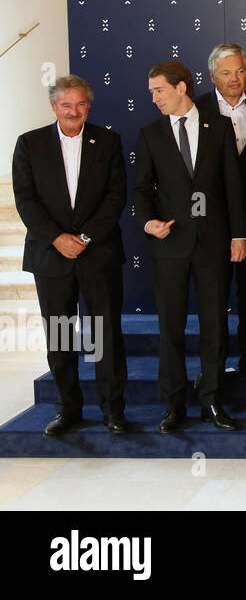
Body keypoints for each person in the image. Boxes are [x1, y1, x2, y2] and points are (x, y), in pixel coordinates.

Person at [133, 62, 246, 433]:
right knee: (171, 328)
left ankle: (212, 401)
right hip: (169, 246)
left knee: (215, 325)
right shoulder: (150, 133)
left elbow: (233, 185)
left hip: (213, 244)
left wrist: (239, 235)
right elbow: (142, 190)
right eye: (152, 92)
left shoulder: (219, 127)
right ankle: (174, 405)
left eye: (159, 91)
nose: (154, 99)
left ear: (181, 87)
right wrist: (148, 222)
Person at [12, 76, 128, 438]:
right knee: (61, 336)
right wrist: (58, 238)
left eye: (81, 104)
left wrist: (85, 236)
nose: (74, 111)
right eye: (67, 105)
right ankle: (69, 409)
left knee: (104, 335)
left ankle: (113, 411)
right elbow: (25, 199)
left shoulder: (107, 141)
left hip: (99, 254)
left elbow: (115, 197)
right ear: (54, 107)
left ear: (88, 106)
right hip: (51, 257)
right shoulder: (29, 144)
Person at [196, 43, 246, 380]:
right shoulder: (196, 109)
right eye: (227, 72)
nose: (235, 78)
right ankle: (214, 369)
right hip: (211, 220)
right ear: (212, 75)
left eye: (240, 71)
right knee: (213, 297)